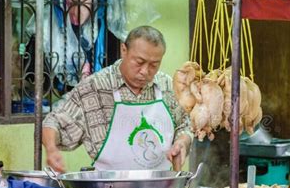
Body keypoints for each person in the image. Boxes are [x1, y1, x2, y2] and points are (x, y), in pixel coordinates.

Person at [42, 26, 193, 173]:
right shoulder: (94, 87)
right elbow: (53, 122)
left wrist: (182, 143)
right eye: (139, 62)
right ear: (124, 50)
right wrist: (51, 150)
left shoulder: (166, 85)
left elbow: (184, 126)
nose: (145, 71)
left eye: (154, 65)